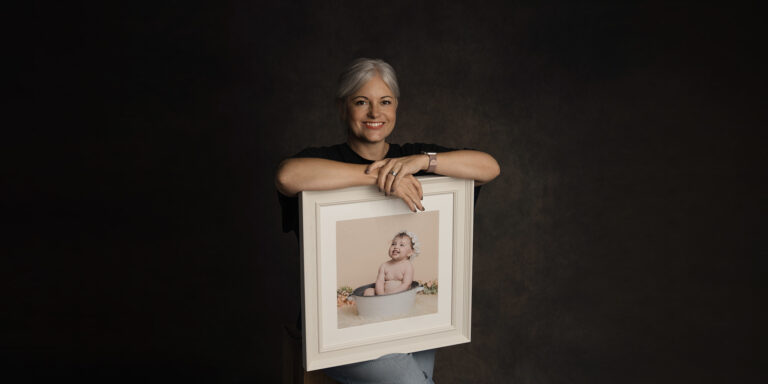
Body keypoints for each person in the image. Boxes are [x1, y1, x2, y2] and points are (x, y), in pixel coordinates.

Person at [276, 58, 500, 384]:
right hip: (335, 333)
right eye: (361, 102)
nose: (374, 113)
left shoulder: (412, 158)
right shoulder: (323, 160)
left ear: (396, 107)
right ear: (342, 109)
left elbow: (489, 168)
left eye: (385, 102)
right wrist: (377, 175)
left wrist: (424, 161)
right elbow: (287, 176)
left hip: (408, 322)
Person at [364, 231, 419, 297]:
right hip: (384, 295)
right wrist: (381, 295)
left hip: (400, 295)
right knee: (369, 291)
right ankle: (374, 304)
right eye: (393, 244)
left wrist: (392, 295)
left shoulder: (407, 266)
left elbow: (406, 284)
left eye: (401, 245)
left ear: (410, 252)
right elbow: (379, 282)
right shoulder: (384, 266)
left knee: (407, 293)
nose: (396, 247)